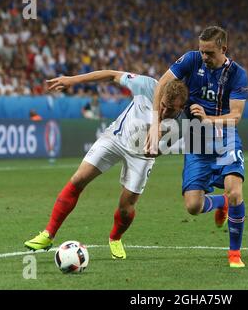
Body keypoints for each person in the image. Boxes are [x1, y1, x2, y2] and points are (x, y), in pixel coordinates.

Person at [24, 70, 188, 259]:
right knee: (78, 179)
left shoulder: (183, 123)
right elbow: (111, 75)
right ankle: (48, 234)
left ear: (182, 107)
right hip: (115, 139)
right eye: (163, 105)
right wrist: (72, 80)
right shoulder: (145, 85)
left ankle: (115, 237)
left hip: (141, 157)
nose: (165, 111)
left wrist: (154, 150)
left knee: (126, 208)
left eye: (171, 110)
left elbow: (160, 150)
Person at [146, 26, 248, 268]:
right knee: (194, 206)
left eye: (209, 52)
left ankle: (234, 253)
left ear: (224, 49)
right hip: (196, 140)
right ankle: (221, 203)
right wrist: (154, 124)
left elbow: (236, 117)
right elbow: (162, 83)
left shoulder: (237, 74)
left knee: (235, 191)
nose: (204, 56)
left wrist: (207, 119)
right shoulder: (191, 60)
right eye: (202, 51)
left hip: (225, 138)